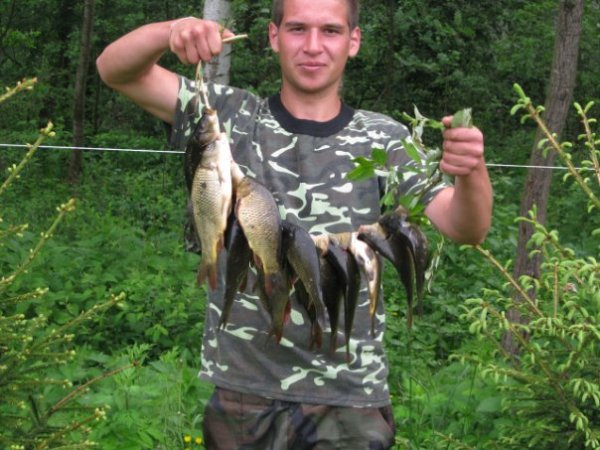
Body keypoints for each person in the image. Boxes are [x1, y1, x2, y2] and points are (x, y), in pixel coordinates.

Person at [96, 0, 493, 448]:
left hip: (349, 398)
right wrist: (171, 31)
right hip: (244, 392)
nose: (313, 46)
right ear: (274, 36)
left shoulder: (386, 139)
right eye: (298, 28)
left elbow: (466, 227)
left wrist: (471, 172)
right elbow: (115, 70)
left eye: (330, 31)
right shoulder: (226, 117)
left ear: (353, 41)